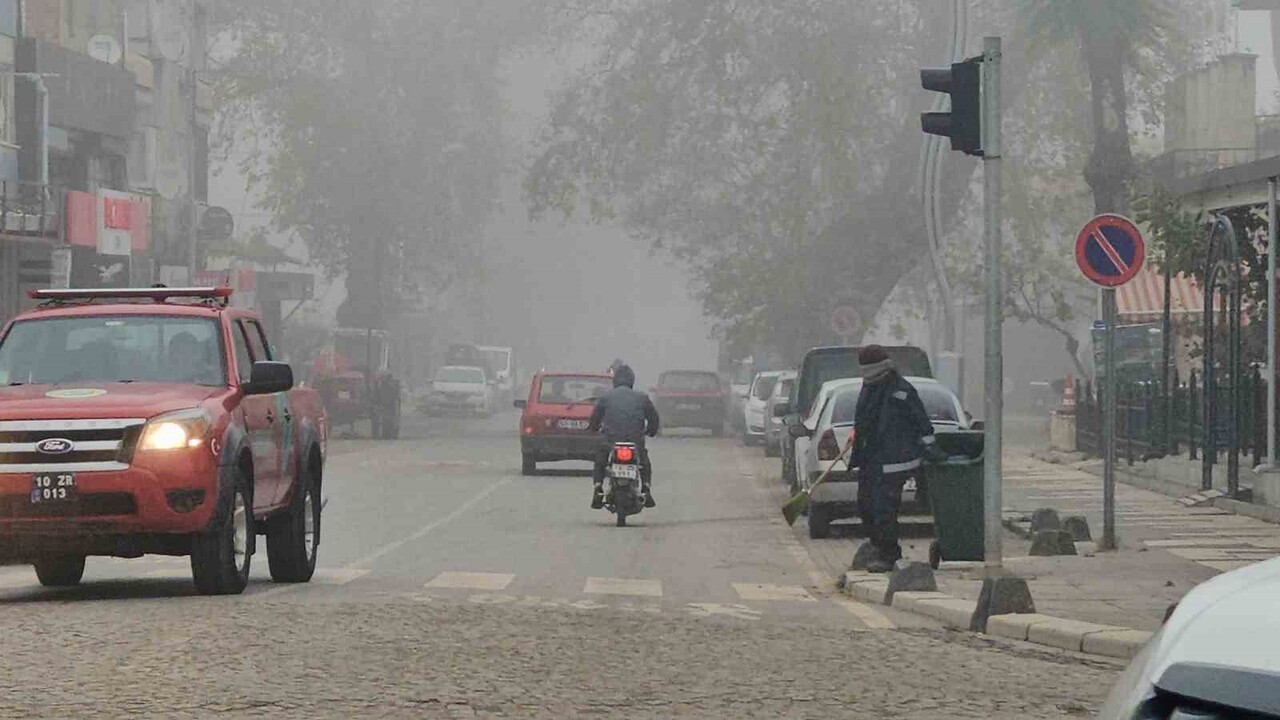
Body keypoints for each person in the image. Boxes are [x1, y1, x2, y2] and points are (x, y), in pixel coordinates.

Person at [850, 345, 944, 573]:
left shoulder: (901, 390)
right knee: (865, 505)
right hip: (871, 459)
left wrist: (929, 449)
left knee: (884, 509)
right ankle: (878, 547)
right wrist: (857, 434)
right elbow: (865, 419)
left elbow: (921, 422)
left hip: (895, 462)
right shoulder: (869, 387)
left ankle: (889, 555)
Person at [587, 364, 660, 509]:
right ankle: (646, 489)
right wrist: (650, 431)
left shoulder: (606, 398)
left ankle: (598, 488)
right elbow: (654, 419)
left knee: (601, 460)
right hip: (635, 441)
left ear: (615, 381)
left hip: (611, 441)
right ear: (632, 381)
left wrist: (594, 428)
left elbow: (594, 419)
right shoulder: (642, 398)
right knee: (644, 462)